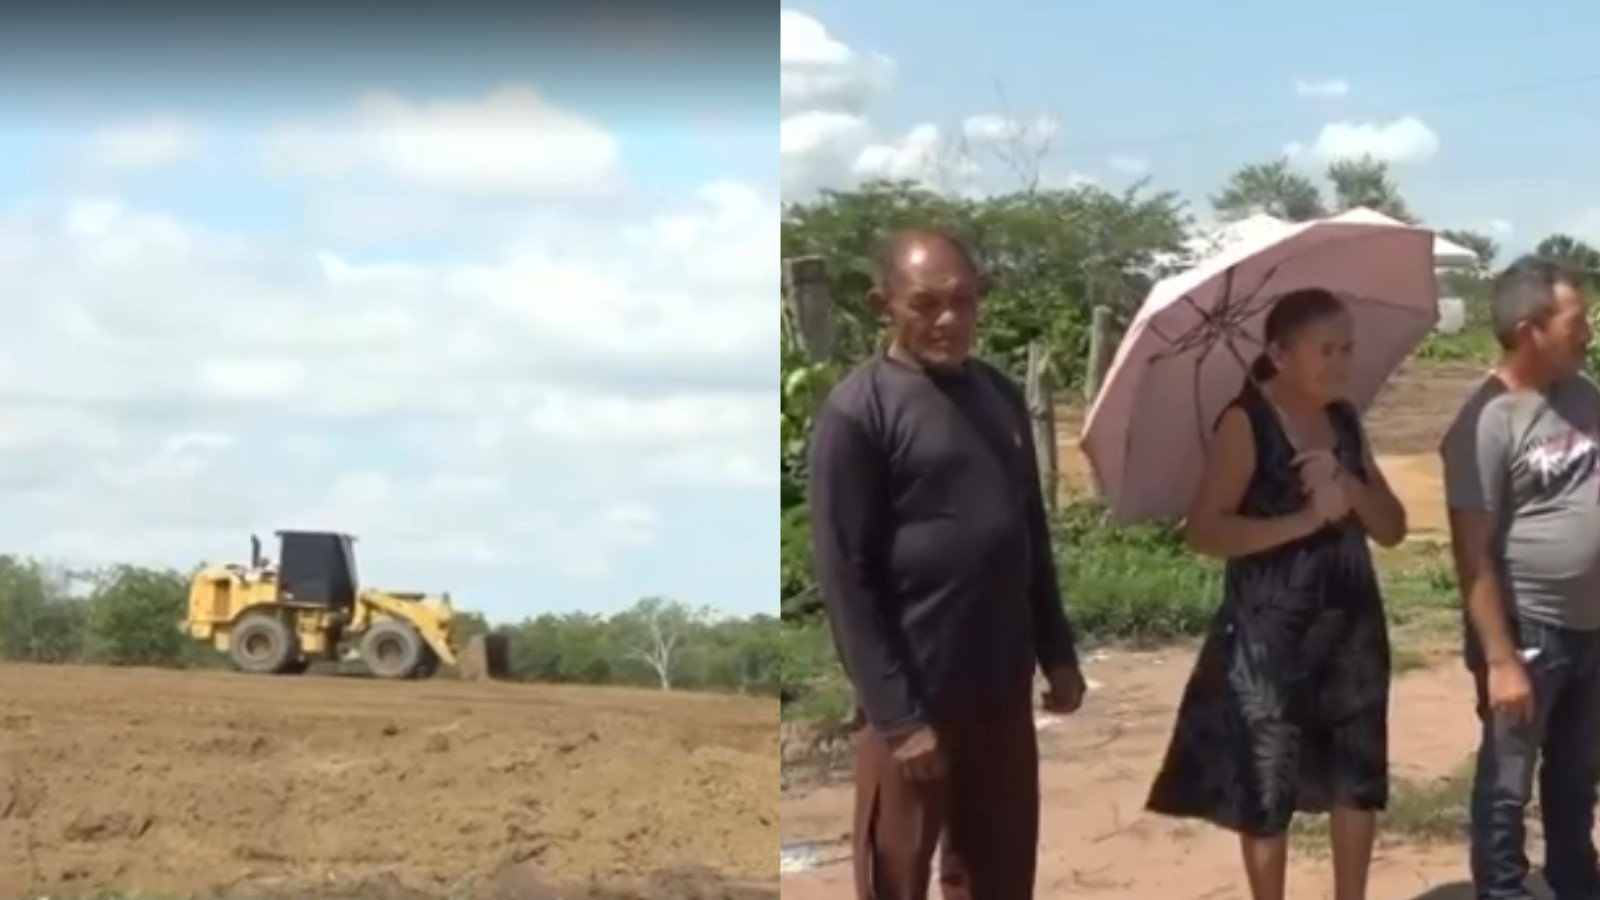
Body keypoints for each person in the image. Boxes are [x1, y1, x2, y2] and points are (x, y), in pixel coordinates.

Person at [807, 229, 1085, 900]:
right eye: (926, 304)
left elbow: (1028, 535)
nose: (949, 320)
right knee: (896, 874)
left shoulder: (999, 396)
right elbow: (846, 579)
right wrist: (898, 719)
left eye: (963, 301)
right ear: (884, 304)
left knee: (998, 873)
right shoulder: (859, 411)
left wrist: (1057, 653)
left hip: (1000, 689)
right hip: (915, 691)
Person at [1145, 287, 1408, 900]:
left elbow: (1392, 528)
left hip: (1351, 627)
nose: (1340, 363)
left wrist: (1345, 481)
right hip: (1270, 638)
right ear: (1280, 355)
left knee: (1356, 778)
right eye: (1325, 350)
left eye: (1347, 349)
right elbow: (1204, 531)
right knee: (1266, 785)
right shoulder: (1246, 423)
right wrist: (1306, 520)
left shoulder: (1344, 421)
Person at [1440, 255, 1600, 900]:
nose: (1587, 332)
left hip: (1591, 626)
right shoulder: (1485, 421)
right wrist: (1501, 660)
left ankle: (1575, 881)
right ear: (1532, 329)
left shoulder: (1584, 394)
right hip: (1528, 629)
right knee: (1508, 783)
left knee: (1577, 775)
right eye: (1576, 320)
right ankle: (1503, 890)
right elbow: (1472, 554)